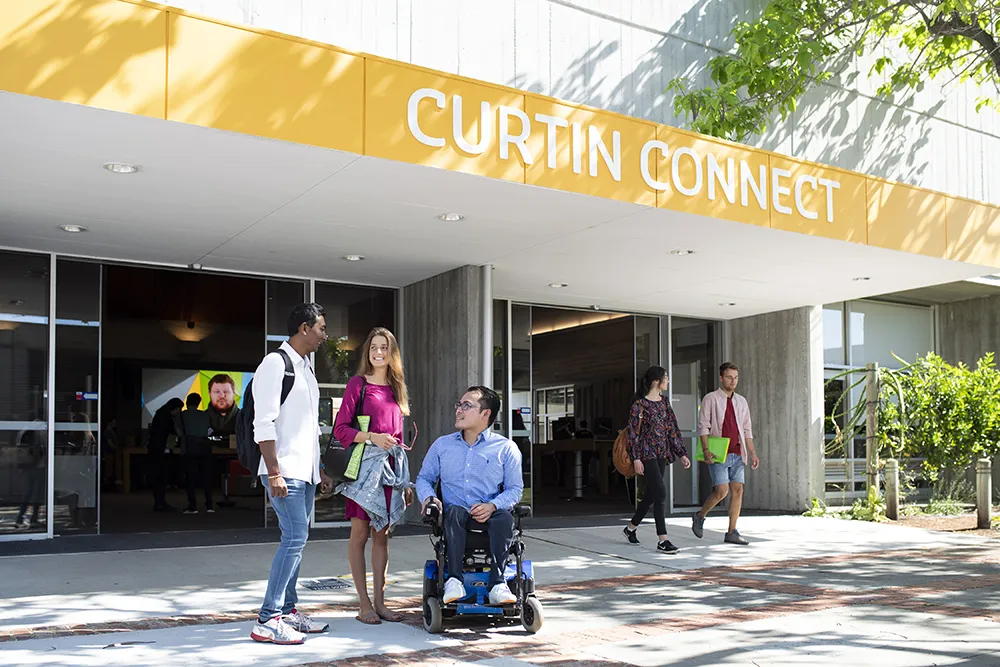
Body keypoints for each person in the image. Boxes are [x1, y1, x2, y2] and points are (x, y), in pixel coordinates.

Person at [250, 303, 334, 645]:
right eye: (321, 329)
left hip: (305, 472)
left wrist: (321, 470)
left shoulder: (306, 369)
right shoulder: (276, 364)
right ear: (303, 328)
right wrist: (274, 472)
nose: (324, 336)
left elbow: (306, 429)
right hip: (284, 471)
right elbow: (263, 423)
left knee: (296, 541)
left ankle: (288, 611)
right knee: (294, 539)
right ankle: (267, 619)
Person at [334, 327, 413, 626]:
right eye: (373, 348)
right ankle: (363, 604)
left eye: (384, 347)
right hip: (364, 471)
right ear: (367, 352)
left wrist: (405, 481)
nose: (378, 352)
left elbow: (400, 440)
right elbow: (341, 430)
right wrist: (372, 438)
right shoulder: (358, 384)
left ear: (392, 353)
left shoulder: (397, 389)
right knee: (360, 535)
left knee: (383, 538)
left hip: (391, 472)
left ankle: (381, 603)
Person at [417, 386, 523, 607]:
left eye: (467, 405)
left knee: (505, 518)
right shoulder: (442, 445)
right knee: (454, 510)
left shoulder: (505, 448)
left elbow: (515, 489)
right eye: (459, 404)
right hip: (455, 518)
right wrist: (429, 499)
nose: (459, 410)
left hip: (490, 518)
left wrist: (493, 506)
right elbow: (424, 478)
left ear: (486, 413)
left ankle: (497, 584)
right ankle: (454, 580)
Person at [621, 366, 691, 553]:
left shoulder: (665, 403)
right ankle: (663, 540)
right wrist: (636, 458)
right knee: (660, 493)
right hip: (646, 455)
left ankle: (630, 528)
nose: (667, 381)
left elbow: (673, 430)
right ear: (655, 382)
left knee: (652, 495)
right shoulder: (639, 405)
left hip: (662, 454)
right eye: (665, 378)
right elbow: (633, 435)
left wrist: (682, 453)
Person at [691, 362, 760, 545]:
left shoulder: (741, 401)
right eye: (729, 377)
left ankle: (732, 531)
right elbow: (703, 426)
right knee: (721, 491)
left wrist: (752, 453)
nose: (733, 381)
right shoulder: (710, 399)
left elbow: (747, 430)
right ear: (721, 378)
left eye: (736, 378)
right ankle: (700, 516)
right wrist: (706, 450)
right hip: (718, 452)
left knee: (738, 491)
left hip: (738, 452)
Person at [181, 393, 214, 515]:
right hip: (205, 446)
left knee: (190, 477)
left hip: (190, 447)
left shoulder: (183, 415)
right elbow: (210, 430)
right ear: (199, 402)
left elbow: (179, 430)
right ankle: (209, 505)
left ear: (187, 402)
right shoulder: (205, 415)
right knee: (206, 476)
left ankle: (193, 506)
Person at [148, 398, 183, 512]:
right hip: (161, 450)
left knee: (158, 477)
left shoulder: (160, 414)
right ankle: (160, 503)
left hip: (156, 450)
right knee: (161, 477)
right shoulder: (166, 417)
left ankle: (159, 502)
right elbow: (175, 431)